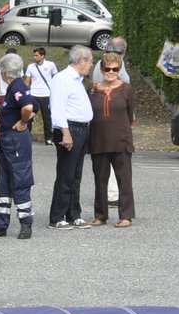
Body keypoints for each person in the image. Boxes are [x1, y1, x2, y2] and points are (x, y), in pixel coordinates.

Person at [0, 52, 35, 239]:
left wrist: (23, 122)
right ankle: (0, 224)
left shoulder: (17, 88)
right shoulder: (17, 86)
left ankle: (26, 224)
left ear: (5, 72)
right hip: (8, 141)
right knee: (4, 182)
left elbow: (29, 107)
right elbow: (36, 106)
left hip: (15, 141)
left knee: (20, 179)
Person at [47, 44, 95, 229]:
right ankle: (57, 217)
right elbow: (57, 108)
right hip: (70, 130)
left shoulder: (77, 80)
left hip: (82, 129)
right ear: (81, 61)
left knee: (76, 174)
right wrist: (66, 133)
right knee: (66, 174)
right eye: (90, 61)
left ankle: (74, 213)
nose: (91, 65)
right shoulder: (62, 79)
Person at [88, 54, 136, 226]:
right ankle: (100, 215)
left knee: (124, 179)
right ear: (101, 69)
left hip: (121, 140)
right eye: (107, 69)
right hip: (98, 139)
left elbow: (130, 115)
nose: (110, 72)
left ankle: (126, 215)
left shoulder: (126, 89)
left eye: (114, 69)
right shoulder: (92, 89)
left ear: (119, 70)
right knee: (100, 179)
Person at [24, 47, 56, 142]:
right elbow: (27, 81)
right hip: (33, 94)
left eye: (36, 55)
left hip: (46, 94)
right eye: (34, 55)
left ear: (42, 56)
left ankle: (49, 138)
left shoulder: (51, 65)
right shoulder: (31, 66)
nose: (34, 57)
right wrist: (26, 93)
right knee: (29, 116)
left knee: (47, 117)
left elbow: (56, 77)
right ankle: (27, 135)